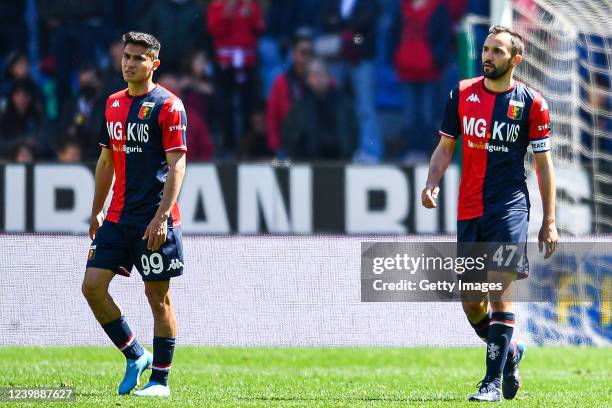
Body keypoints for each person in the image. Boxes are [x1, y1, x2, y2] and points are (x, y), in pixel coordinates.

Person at [421, 26, 558, 402]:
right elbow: (445, 147)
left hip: (509, 207)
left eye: (497, 51)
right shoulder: (462, 93)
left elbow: (544, 166)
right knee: (472, 302)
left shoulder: (532, 103)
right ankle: (510, 353)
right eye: (485, 49)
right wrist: (432, 182)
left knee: (499, 289)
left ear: (516, 60)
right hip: (469, 208)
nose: (487, 56)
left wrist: (549, 221)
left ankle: (491, 382)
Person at [81, 32, 187, 398]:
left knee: (158, 298)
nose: (129, 63)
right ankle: (135, 354)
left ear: (154, 64)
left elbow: (177, 167)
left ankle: (160, 381)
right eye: (127, 56)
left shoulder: (169, 106)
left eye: (139, 58)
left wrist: (161, 217)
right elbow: (106, 161)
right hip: (116, 218)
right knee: (92, 287)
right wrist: (96, 210)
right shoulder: (111, 104)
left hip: (153, 222)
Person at [282, 58, 357, 160]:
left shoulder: (343, 103)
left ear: (329, 77)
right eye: (314, 75)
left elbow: (354, 132)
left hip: (339, 162)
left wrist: (347, 155)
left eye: (321, 74)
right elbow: (288, 135)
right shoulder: (299, 107)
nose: (318, 78)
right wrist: (298, 161)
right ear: (307, 79)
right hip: (306, 165)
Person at [266, 28, 314, 156]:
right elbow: (272, 114)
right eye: (303, 52)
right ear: (293, 54)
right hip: (287, 145)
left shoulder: (323, 80)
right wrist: (275, 144)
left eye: (310, 52)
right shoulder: (281, 82)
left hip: (314, 146)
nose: (307, 56)